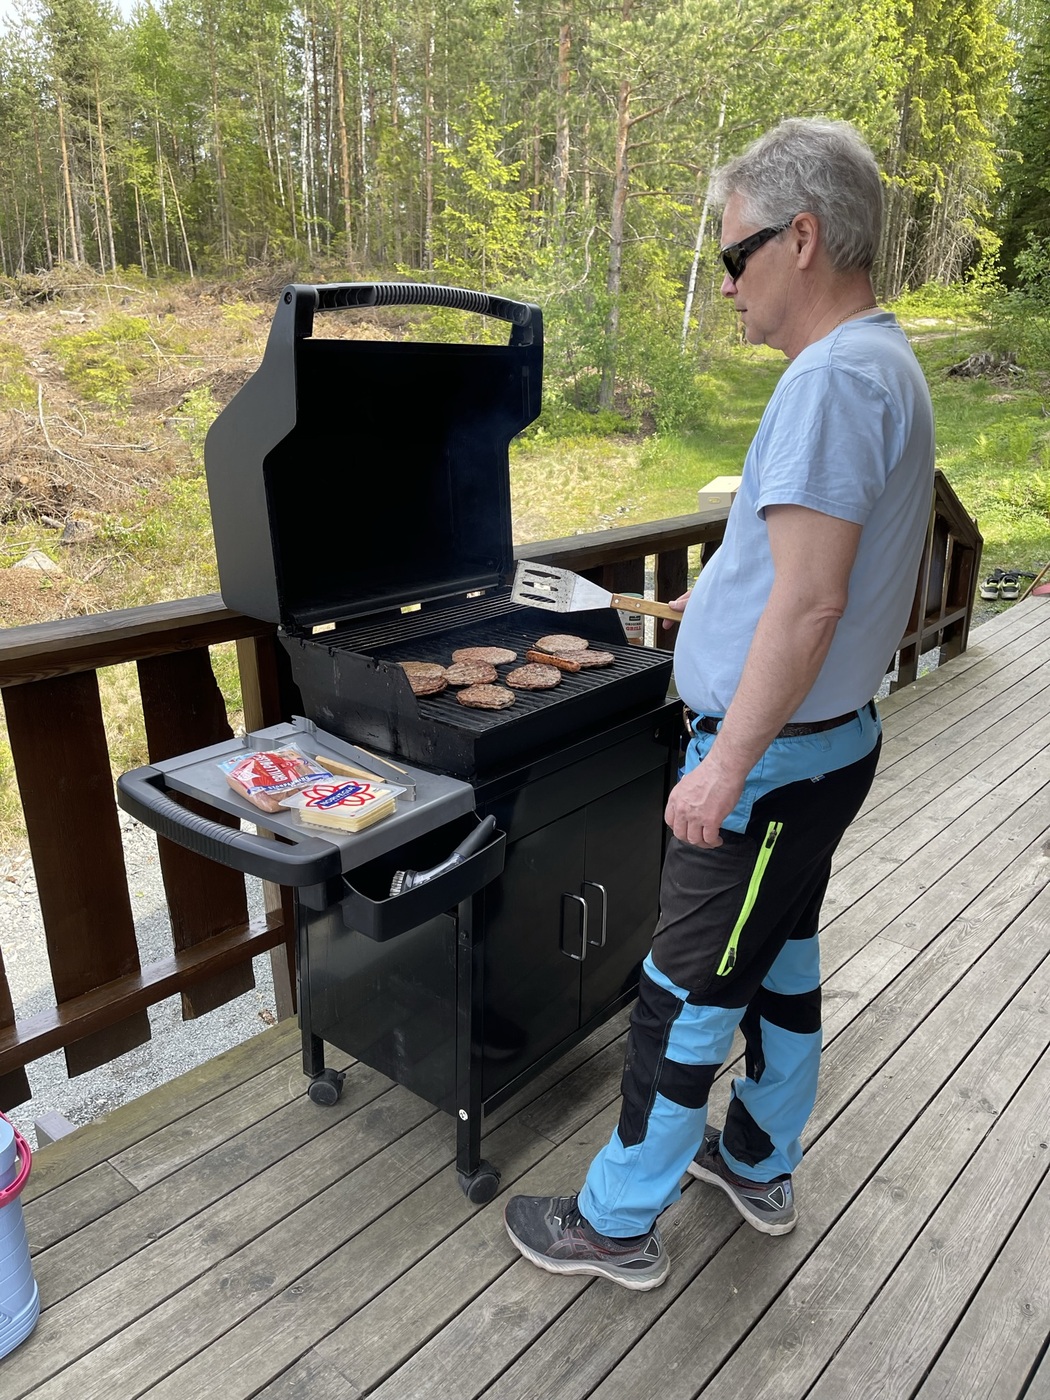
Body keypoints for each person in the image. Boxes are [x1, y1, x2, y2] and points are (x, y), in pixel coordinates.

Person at [503, 117, 935, 1290]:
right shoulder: (884, 361)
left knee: (683, 990)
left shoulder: (831, 380)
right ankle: (755, 1155)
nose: (728, 279)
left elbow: (813, 603)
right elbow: (813, 575)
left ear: (804, 237)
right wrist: (727, 600)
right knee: (780, 956)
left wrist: (723, 765)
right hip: (830, 747)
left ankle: (616, 1218)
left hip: (772, 766)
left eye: (735, 253)